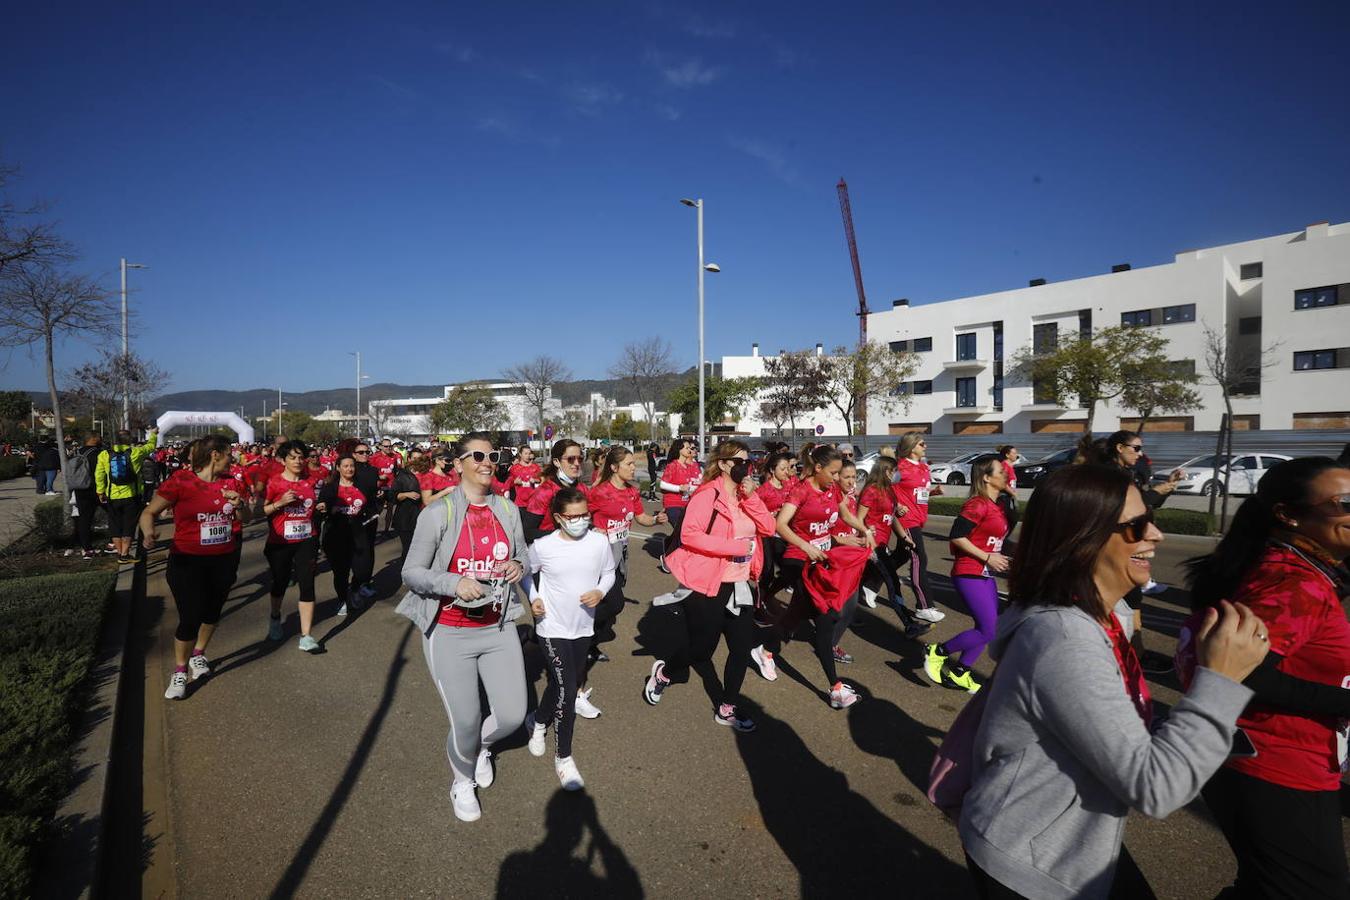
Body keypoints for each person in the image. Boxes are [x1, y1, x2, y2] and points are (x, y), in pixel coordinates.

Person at [959, 463, 1267, 900]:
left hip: (1065, 838)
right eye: (1137, 526)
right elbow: (1156, 788)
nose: (1156, 535)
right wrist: (1219, 681)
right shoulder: (1065, 639)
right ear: (1083, 538)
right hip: (1030, 855)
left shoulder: (1105, 615)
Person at [1180, 457, 1350, 899]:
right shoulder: (1294, 582)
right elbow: (1243, 676)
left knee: (1272, 885)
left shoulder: (1299, 567)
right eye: (1344, 503)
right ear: (1289, 514)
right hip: (1275, 761)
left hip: (1275, 756)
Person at [397, 432, 529, 822]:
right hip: (450, 631)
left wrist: (518, 566)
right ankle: (461, 779)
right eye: (477, 456)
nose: (487, 462)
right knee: (466, 719)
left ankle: (478, 747)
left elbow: (522, 554)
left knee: (510, 715)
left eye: (493, 456)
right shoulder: (439, 513)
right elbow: (411, 572)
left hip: (498, 625)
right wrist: (452, 582)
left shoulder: (507, 510)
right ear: (458, 464)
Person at [643, 440, 776, 732]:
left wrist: (752, 497)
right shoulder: (708, 494)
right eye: (740, 462)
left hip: (741, 582)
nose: (747, 467)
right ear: (725, 464)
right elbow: (690, 535)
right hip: (708, 583)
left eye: (749, 462)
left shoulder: (746, 495)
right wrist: (733, 546)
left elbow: (768, 528)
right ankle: (665, 673)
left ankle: (727, 707)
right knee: (701, 650)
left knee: (741, 648)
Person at [138, 435, 250, 700]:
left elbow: (246, 518)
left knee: (212, 612)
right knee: (190, 616)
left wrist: (240, 505)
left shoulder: (231, 482)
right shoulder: (181, 481)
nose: (232, 458)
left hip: (223, 559)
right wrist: (148, 533)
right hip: (187, 561)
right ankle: (179, 671)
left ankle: (198, 654)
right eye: (228, 454)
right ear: (215, 455)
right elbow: (148, 513)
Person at [524, 487, 616, 790]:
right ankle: (563, 757)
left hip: (582, 627)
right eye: (573, 517)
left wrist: (600, 591)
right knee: (567, 687)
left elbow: (609, 573)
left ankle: (537, 721)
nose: (580, 521)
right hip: (551, 625)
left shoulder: (599, 541)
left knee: (558, 683)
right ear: (558, 517)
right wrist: (534, 597)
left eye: (585, 515)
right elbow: (526, 573)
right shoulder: (543, 545)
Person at [773, 444, 871, 709]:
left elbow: (845, 514)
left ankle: (765, 649)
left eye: (840, 473)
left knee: (796, 614)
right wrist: (806, 546)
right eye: (834, 472)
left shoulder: (832, 489)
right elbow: (780, 524)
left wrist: (864, 529)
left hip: (822, 560)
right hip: (798, 560)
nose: (838, 478)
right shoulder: (801, 490)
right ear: (818, 468)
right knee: (825, 618)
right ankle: (836, 688)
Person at [923, 457, 1011, 693]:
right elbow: (957, 536)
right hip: (969, 571)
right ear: (986, 477)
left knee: (986, 626)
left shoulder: (997, 505)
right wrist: (987, 556)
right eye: (1001, 472)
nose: (1006, 475)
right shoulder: (977, 504)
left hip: (985, 574)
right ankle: (937, 652)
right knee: (988, 629)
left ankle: (961, 671)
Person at [585, 445, 666, 678]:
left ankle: (589, 642)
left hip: (620, 555)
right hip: (599, 558)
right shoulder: (598, 492)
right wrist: (593, 528)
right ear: (613, 467)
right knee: (615, 603)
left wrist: (656, 519)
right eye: (629, 464)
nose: (634, 468)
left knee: (609, 606)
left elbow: (640, 517)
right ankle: (579, 635)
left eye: (634, 463)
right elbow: (578, 517)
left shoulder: (632, 492)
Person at [855, 455, 928, 639]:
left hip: (882, 545)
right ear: (886, 471)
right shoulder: (871, 491)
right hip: (872, 546)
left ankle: (844, 610)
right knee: (892, 582)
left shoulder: (889, 490)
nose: (897, 475)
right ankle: (909, 624)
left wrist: (904, 537)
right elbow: (858, 519)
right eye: (894, 471)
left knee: (857, 582)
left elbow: (892, 517)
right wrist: (867, 537)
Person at [260, 440, 323, 651]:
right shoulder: (275, 483)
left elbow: (315, 505)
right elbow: (264, 511)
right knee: (280, 582)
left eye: (300, 457)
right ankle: (275, 616)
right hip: (281, 542)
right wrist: (280, 503)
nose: (297, 461)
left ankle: (306, 636)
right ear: (283, 460)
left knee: (307, 583)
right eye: (292, 457)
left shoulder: (311, 482)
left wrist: (321, 506)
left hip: (307, 539)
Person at [748, 450, 796, 681]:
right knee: (765, 573)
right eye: (783, 468)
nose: (787, 472)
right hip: (766, 536)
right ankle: (759, 605)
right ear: (771, 471)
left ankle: (768, 597)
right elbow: (751, 510)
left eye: (789, 468)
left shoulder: (789, 487)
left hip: (783, 537)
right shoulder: (763, 490)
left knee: (789, 571)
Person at [893, 432, 944, 622]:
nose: (925, 447)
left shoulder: (923, 468)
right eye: (922, 444)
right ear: (911, 446)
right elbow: (882, 489)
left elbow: (918, 494)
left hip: (919, 518)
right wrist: (896, 505)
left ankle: (870, 578)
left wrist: (934, 493)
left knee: (900, 556)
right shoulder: (900, 468)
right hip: (906, 521)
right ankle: (924, 606)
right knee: (919, 558)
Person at [317, 455, 373, 617]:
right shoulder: (330, 487)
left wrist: (370, 513)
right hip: (336, 532)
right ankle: (342, 599)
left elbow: (370, 505)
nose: (349, 469)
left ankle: (355, 590)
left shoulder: (362, 485)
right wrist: (327, 508)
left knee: (363, 569)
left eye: (352, 466)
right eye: (346, 466)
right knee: (340, 572)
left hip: (357, 531)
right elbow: (322, 505)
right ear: (338, 468)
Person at [96, 426, 159, 563]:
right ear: (129, 440)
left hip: (112, 496)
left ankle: (119, 553)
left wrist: (100, 491)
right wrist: (153, 434)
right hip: (131, 496)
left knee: (115, 525)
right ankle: (125, 554)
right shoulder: (135, 452)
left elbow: (99, 475)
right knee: (128, 525)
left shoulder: (104, 454)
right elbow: (151, 447)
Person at [522, 440, 587, 543]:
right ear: (556, 462)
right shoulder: (545, 491)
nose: (577, 463)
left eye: (580, 459)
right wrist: (561, 535)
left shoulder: (583, 488)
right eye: (570, 459)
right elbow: (527, 532)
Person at [657, 438, 701, 570]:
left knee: (684, 532)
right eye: (687, 447)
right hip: (672, 504)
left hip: (686, 504)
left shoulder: (689, 466)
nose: (690, 450)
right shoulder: (673, 465)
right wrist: (679, 488)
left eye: (690, 448)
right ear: (680, 450)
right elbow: (662, 484)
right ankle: (668, 558)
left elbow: (691, 485)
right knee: (683, 532)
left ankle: (670, 542)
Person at [67, 435, 103, 559]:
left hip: (80, 489)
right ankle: (114, 543)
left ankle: (87, 548)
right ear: (93, 440)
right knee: (114, 514)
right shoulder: (99, 453)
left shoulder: (77, 453)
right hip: (97, 489)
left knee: (84, 520)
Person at [389, 450, 425, 562]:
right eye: (414, 458)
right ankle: (407, 574)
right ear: (409, 459)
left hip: (424, 516)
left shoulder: (427, 474)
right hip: (406, 518)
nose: (416, 461)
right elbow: (392, 496)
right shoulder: (403, 475)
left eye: (419, 458)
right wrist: (406, 494)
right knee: (409, 549)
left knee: (423, 550)